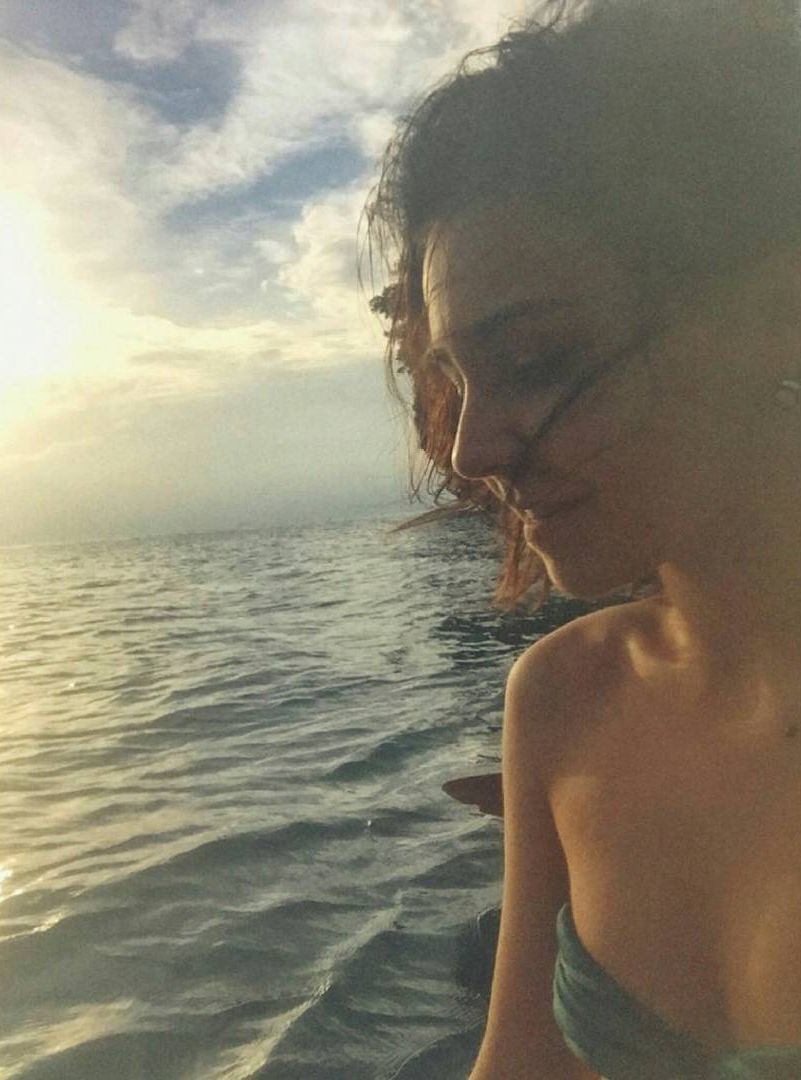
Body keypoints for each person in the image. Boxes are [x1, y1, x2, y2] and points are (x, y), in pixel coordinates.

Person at [364, 0, 801, 1077]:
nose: (469, 450)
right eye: (454, 378)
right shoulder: (563, 696)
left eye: (539, 360)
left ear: (775, 312)